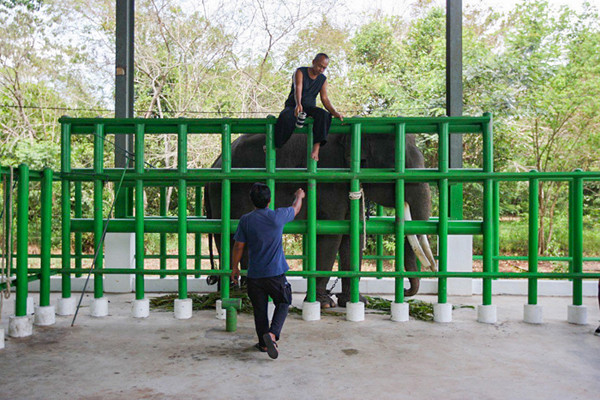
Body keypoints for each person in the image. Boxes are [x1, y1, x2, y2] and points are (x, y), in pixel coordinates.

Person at [231, 183, 305, 359]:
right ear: (270, 200)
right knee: (284, 301)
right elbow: (295, 209)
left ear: (252, 201)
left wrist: (235, 267)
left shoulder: (246, 220)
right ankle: (272, 335)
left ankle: (264, 345)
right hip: (275, 274)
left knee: (260, 310)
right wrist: (299, 196)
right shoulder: (277, 216)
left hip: (254, 275)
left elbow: (238, 246)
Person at [274, 53, 344, 161]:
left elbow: (324, 99)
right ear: (313, 62)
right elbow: (298, 87)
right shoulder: (300, 71)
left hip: (309, 107)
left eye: (324, 68)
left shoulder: (323, 79)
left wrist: (335, 113)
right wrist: (298, 104)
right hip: (294, 105)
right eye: (320, 66)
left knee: (325, 116)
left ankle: (316, 148)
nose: (321, 69)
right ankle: (276, 145)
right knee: (285, 117)